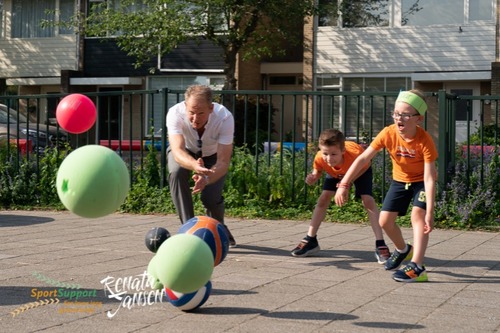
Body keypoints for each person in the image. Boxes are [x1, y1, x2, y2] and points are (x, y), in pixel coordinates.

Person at [335, 89, 438, 282]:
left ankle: (417, 266)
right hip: (400, 181)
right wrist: (344, 184)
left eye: (406, 114)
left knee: (418, 216)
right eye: (396, 113)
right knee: (384, 222)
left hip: (420, 183)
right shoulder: (388, 133)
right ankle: (403, 250)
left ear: (418, 119)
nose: (399, 118)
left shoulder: (425, 141)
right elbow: (363, 158)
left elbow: (430, 178)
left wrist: (430, 211)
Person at [291, 128, 390, 264]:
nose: (329, 158)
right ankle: (310, 240)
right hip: (336, 173)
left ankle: (380, 244)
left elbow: (364, 164)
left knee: (367, 200)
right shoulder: (321, 157)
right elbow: (318, 169)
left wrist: (345, 184)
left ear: (343, 151)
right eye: (325, 153)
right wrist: (314, 176)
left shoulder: (354, 154)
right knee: (323, 199)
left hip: (360, 170)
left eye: (333, 154)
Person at [166, 84, 236, 247]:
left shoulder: (224, 117)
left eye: (200, 113)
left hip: (213, 155)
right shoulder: (175, 113)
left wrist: (207, 178)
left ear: (211, 108)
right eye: (191, 112)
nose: (195, 119)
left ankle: (219, 228)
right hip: (186, 152)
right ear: (185, 107)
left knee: (210, 198)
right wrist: (194, 165)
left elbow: (223, 162)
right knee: (176, 172)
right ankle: (188, 229)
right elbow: (177, 151)